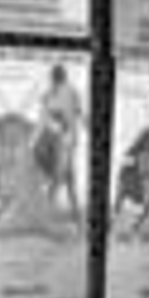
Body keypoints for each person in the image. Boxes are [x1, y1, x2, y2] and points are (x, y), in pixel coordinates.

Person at [37, 63, 85, 224]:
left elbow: (77, 112)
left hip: (64, 140)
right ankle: (73, 213)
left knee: (62, 176)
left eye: (56, 78)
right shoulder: (51, 93)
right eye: (54, 78)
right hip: (56, 140)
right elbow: (45, 116)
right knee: (65, 177)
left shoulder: (69, 93)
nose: (54, 81)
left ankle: (53, 211)